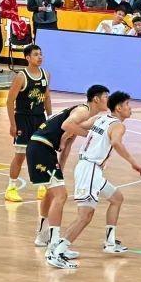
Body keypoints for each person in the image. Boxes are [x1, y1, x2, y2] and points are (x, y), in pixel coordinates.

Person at [56, 91, 141, 260]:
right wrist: (133, 162)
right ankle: (58, 250)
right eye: (127, 104)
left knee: (117, 198)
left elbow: (76, 126)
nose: (130, 108)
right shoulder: (118, 126)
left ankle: (110, 243)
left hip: (89, 169)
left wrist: (63, 139)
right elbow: (116, 143)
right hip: (89, 169)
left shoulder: (100, 118)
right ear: (118, 108)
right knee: (85, 216)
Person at [28, 84, 110, 269]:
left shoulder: (83, 118)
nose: (108, 100)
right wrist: (89, 135)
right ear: (96, 99)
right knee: (61, 196)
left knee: (52, 192)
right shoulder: (83, 110)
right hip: (41, 146)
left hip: (44, 148)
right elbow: (66, 125)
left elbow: (66, 145)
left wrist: (61, 168)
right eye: (106, 96)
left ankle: (42, 236)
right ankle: (53, 246)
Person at [4, 44, 52, 203]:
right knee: (20, 156)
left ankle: (42, 186)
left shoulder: (46, 74)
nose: (40, 57)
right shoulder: (21, 76)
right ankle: (11, 188)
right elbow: (9, 101)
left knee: (42, 154)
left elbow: (47, 97)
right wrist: (12, 124)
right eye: (36, 54)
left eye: (41, 54)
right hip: (23, 119)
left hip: (40, 119)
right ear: (27, 58)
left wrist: (50, 117)